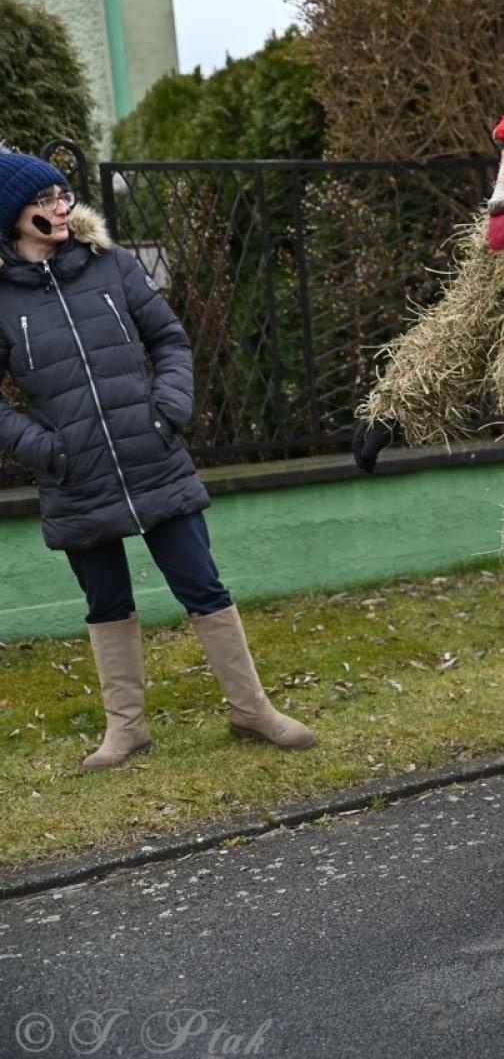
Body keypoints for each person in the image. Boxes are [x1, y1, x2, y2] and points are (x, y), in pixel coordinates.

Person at [0, 151, 315, 770]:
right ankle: (128, 730)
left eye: (64, 195)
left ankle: (252, 709)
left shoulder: (110, 266)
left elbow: (169, 339)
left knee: (203, 586)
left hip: (154, 457)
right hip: (76, 476)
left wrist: (167, 408)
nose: (62, 208)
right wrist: (41, 448)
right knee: (107, 603)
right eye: (47, 200)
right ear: (15, 216)